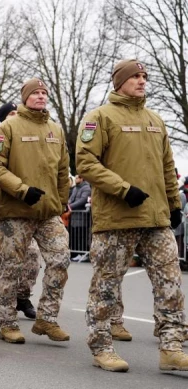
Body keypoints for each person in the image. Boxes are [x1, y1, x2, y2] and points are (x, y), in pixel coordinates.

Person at [76, 59, 188, 372]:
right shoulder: (99, 118)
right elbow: (85, 162)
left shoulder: (156, 120)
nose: (141, 81)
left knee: (170, 284)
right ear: (119, 82)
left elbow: (167, 166)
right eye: (135, 76)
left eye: (144, 76)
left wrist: (174, 204)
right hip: (117, 218)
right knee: (106, 287)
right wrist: (124, 189)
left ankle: (172, 348)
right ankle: (101, 347)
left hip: (156, 219)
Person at [0, 78, 71, 345]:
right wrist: (21, 189)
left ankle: (47, 317)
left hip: (47, 212)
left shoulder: (55, 130)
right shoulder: (8, 127)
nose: (41, 96)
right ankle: (8, 322)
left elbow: (62, 171)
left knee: (60, 259)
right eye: (35, 93)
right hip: (14, 210)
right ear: (25, 97)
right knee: (11, 268)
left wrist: (62, 201)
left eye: (45, 93)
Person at [0, 102, 40, 320]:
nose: (16, 116)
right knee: (2, 260)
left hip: (27, 210)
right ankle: (2, 300)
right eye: (11, 114)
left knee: (33, 256)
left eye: (18, 113)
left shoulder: (28, 144)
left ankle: (23, 295)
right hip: (1, 210)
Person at [68, 175, 92, 259]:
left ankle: (82, 255)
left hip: (82, 218)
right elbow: (71, 199)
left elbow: (82, 200)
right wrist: (68, 204)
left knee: (82, 237)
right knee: (74, 236)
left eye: (77, 177)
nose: (76, 178)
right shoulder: (75, 188)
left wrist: (69, 206)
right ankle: (75, 254)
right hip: (74, 217)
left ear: (82, 179)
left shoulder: (86, 188)